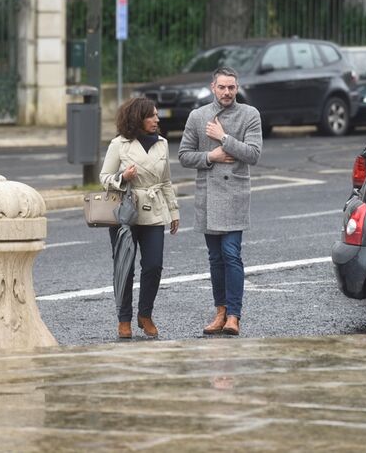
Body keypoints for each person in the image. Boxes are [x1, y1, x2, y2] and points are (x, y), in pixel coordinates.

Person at [178, 66, 263, 336]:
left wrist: (223, 138)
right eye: (222, 87)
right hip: (208, 194)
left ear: (237, 88)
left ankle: (234, 316)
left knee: (231, 254)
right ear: (213, 87)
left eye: (232, 88)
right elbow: (183, 155)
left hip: (235, 195)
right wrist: (210, 157)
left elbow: (253, 154)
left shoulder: (250, 114)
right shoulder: (197, 116)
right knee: (215, 258)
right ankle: (220, 312)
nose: (227, 92)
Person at [100, 97, 180, 339]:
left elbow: (165, 181)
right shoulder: (119, 144)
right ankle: (124, 319)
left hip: (154, 210)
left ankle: (145, 314)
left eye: (156, 115)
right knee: (124, 267)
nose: (157, 119)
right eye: (151, 116)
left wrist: (173, 211)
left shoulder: (162, 144)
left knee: (154, 265)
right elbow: (104, 178)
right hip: (126, 212)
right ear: (137, 119)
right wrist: (123, 176)